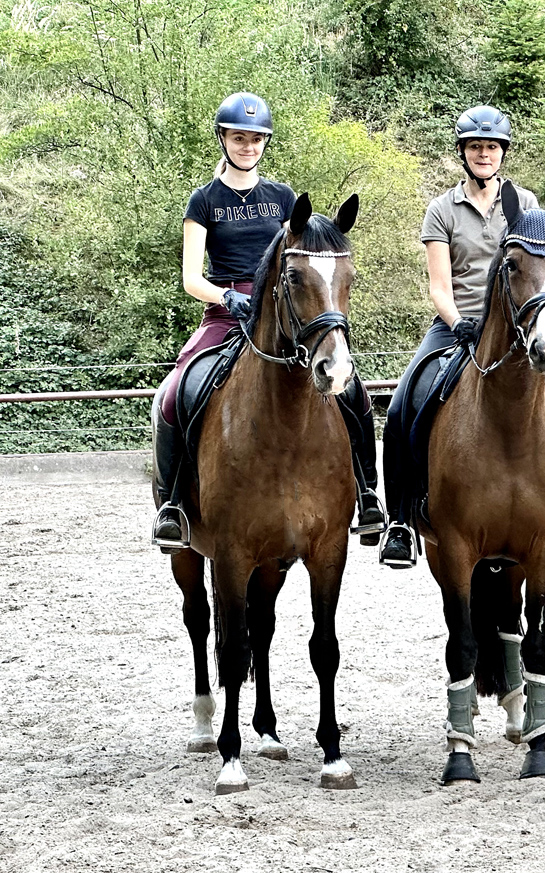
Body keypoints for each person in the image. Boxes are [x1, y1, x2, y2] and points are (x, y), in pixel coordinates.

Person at [377, 104, 545, 568]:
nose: (484, 154)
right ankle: (399, 523)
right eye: (475, 147)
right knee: (401, 404)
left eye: (492, 147)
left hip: (519, 327)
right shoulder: (442, 210)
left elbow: (543, 270)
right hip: (457, 325)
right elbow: (439, 285)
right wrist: (459, 323)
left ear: (503, 152)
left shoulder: (526, 205)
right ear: (463, 153)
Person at [151, 91, 384, 550]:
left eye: (256, 139)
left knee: (352, 391)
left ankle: (367, 492)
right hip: (224, 314)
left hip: (279, 315)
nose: (248, 147)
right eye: (239, 138)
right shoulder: (203, 201)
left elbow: (302, 260)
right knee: (175, 391)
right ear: (223, 139)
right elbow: (191, 278)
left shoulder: (282, 197)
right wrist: (228, 297)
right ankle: (172, 503)